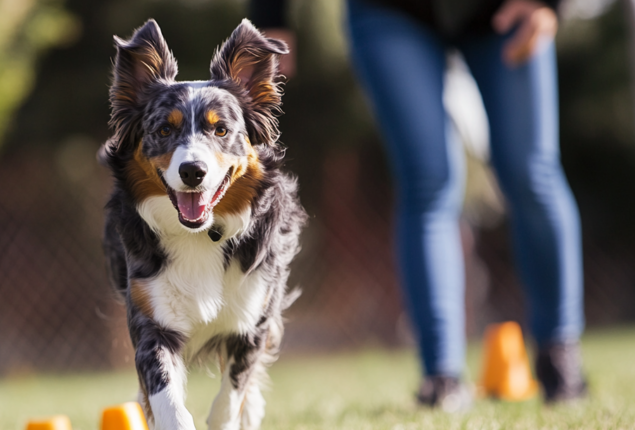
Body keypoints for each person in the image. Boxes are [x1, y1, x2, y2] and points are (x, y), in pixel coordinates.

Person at [250, 0, 588, 409]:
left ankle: (559, 352)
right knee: (429, 178)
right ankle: (442, 376)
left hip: (503, 10)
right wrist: (270, 19)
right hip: (392, 11)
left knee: (530, 172)